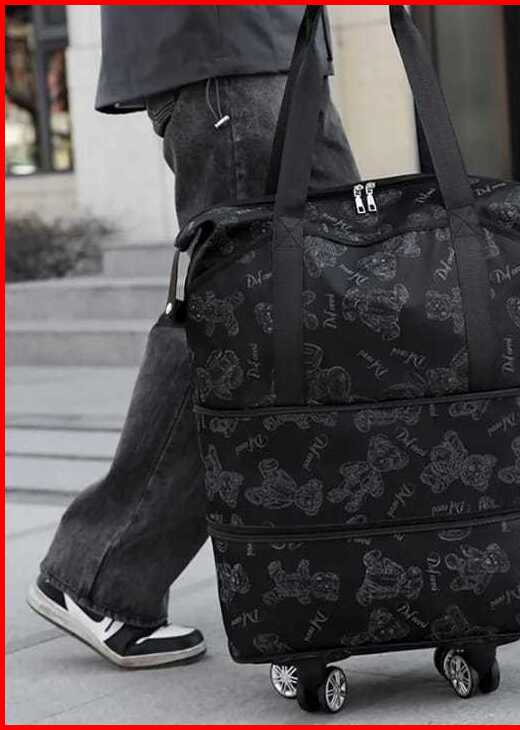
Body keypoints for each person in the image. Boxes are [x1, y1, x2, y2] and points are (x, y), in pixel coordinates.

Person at [26, 5, 359, 669]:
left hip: (274, 49)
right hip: (228, 56)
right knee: (236, 322)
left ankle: (342, 556)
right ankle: (100, 573)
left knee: (335, 288)